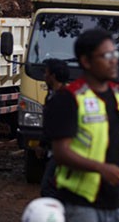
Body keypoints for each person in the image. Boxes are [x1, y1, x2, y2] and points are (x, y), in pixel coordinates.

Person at [44, 28, 119, 222]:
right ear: (86, 61)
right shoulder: (69, 98)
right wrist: (102, 168)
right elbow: (61, 152)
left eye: (115, 53)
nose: (114, 59)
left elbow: (107, 141)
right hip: (81, 203)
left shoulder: (117, 95)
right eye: (106, 55)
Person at [39, 58, 70, 198]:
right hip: (55, 151)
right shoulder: (51, 96)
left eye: (46, 73)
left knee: (48, 188)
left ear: (53, 76)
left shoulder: (64, 98)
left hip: (64, 152)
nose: (44, 76)